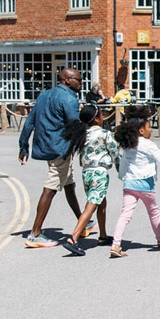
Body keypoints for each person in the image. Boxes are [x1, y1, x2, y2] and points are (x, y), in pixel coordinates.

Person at [18, 67, 84, 248]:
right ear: (67, 80)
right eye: (78, 79)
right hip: (61, 149)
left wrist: (23, 145)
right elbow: (74, 127)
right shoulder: (69, 98)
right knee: (50, 188)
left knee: (69, 183)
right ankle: (35, 234)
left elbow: (29, 121)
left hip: (47, 146)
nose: (81, 82)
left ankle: (83, 222)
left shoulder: (44, 95)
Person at [109, 107, 160, 257]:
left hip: (129, 184)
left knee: (125, 215)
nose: (150, 130)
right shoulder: (147, 144)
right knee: (153, 212)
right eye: (148, 126)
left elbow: (124, 164)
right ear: (141, 130)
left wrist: (122, 177)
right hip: (146, 184)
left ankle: (115, 245)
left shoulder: (128, 144)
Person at [61, 102, 117, 255]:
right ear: (97, 120)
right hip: (100, 172)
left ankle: (103, 235)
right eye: (100, 115)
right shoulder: (104, 134)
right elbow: (114, 151)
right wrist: (120, 169)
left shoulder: (83, 133)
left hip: (87, 172)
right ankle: (74, 237)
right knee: (92, 205)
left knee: (101, 202)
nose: (103, 116)